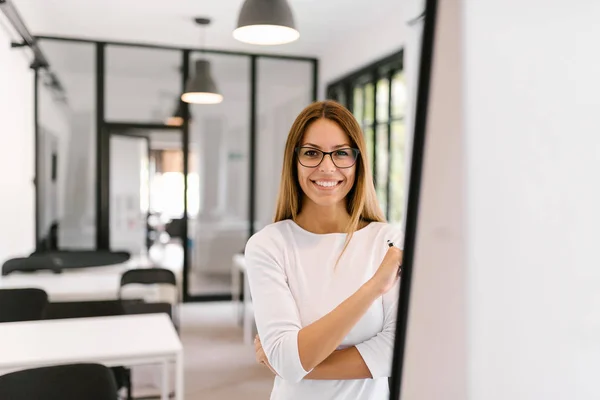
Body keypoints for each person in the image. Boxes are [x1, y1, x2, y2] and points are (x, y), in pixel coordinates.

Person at [244, 100, 404, 400]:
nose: (327, 167)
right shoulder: (268, 245)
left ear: (358, 161)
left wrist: (296, 362)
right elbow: (287, 361)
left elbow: (397, 349)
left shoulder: (389, 241)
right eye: (311, 153)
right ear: (294, 160)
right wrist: (373, 288)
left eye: (341, 153)